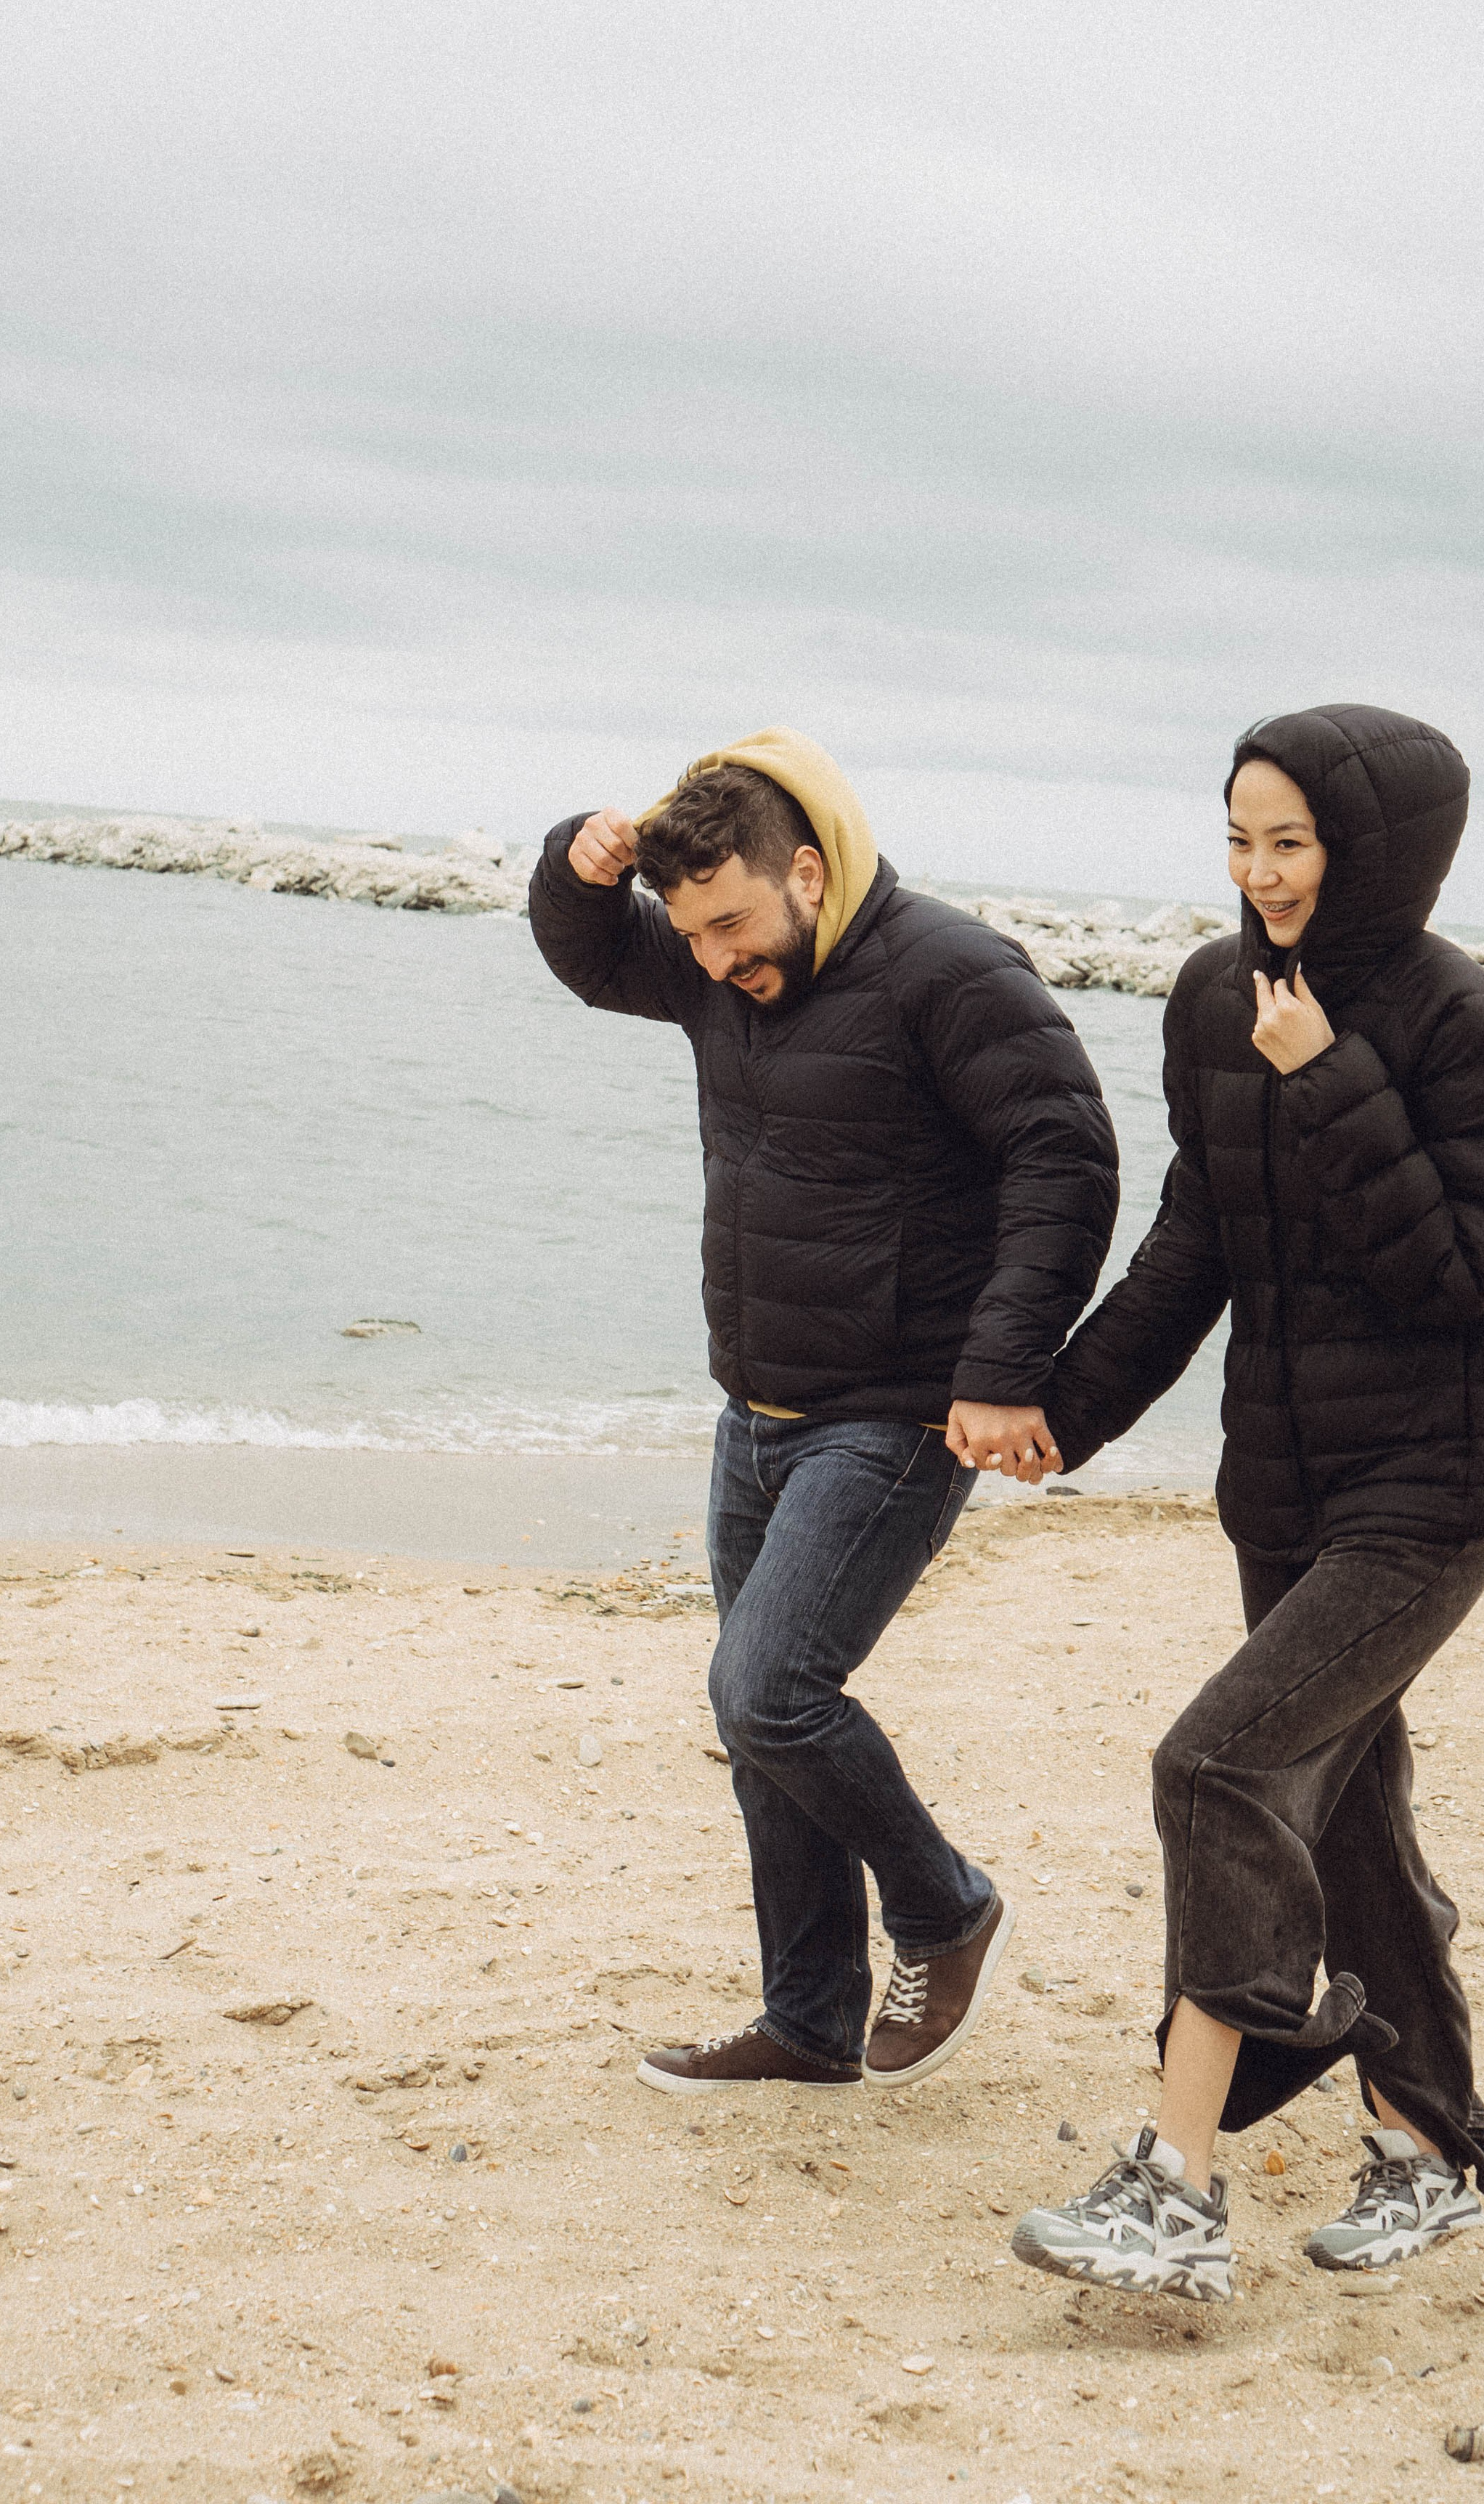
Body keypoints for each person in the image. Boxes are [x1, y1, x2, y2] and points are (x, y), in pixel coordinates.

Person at [1011, 703, 1484, 2302]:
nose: (1259, 874)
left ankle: (1176, 2180)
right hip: (1282, 1485)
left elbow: (1459, 1279)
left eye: (1290, 843)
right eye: (1237, 840)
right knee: (1349, 1817)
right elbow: (1197, 1238)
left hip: (1432, 1491)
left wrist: (1325, 1077)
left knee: (1215, 1768)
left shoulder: (1477, 1038)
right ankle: (1429, 2149)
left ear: (1372, 847)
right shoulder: (1208, 996)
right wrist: (1064, 1409)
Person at [529, 728, 1118, 2094]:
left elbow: (1067, 1159)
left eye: (735, 923)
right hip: (760, 1403)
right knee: (759, 1724)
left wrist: (1001, 1370)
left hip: (900, 1411)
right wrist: (575, 864)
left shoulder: (951, 973)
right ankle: (806, 2020)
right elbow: (595, 954)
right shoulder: (715, 967)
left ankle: (946, 1909)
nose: (721, 960)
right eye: (697, 936)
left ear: (809, 868)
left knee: (771, 1689)